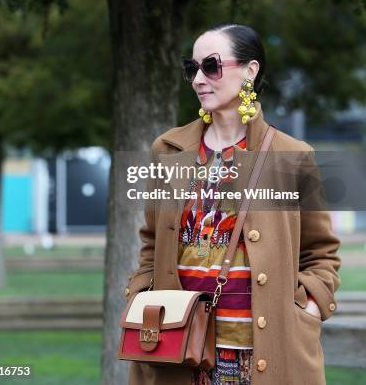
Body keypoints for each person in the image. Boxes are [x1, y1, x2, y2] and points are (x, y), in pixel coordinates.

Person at [124, 23, 341, 385]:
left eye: (211, 66)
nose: (198, 79)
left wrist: (309, 308)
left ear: (250, 71)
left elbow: (321, 253)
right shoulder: (168, 150)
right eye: (191, 68)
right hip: (178, 348)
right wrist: (142, 294)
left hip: (263, 351)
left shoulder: (292, 156)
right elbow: (151, 241)